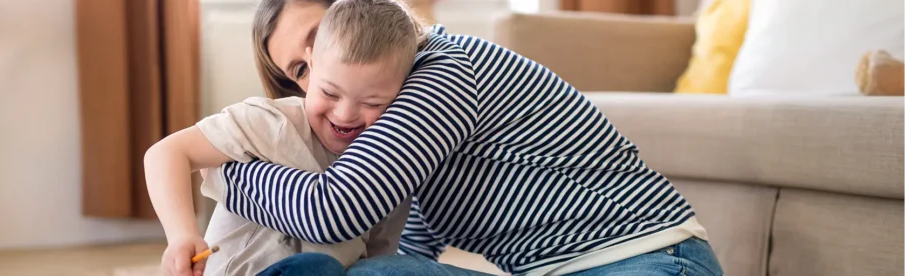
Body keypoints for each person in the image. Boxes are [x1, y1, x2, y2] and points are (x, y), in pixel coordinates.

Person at [218, 0, 728, 275]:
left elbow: (334, 213)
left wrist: (222, 165)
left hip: (649, 261)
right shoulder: (394, 112)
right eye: (300, 69)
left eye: (317, 37)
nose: (321, 73)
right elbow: (414, 242)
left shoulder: (441, 70)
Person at [142, 0, 427, 274]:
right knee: (317, 266)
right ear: (312, 66)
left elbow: (376, 258)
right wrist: (181, 235)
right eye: (329, 92)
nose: (345, 114)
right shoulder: (275, 121)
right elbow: (166, 153)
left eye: (373, 102)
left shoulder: (391, 166)